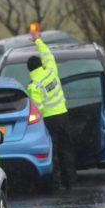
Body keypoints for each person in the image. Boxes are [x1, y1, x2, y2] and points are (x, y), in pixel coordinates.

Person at [27, 27, 76, 188]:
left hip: (49, 120)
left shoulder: (34, 86)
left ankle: (56, 183)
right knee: (67, 149)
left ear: (29, 70)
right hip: (63, 114)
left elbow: (38, 108)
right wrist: (38, 40)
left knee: (52, 152)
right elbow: (47, 54)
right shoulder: (51, 71)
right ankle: (70, 181)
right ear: (40, 64)